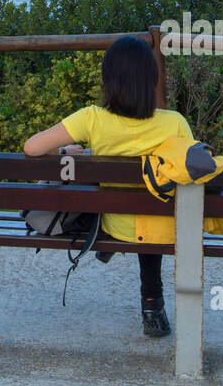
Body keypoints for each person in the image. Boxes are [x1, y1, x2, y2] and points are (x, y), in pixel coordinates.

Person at [23, 34, 194, 338]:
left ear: (109, 80)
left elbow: (32, 147)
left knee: (112, 199)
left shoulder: (91, 119)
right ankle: (152, 305)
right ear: (151, 80)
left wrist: (66, 152)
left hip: (114, 223)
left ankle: (110, 245)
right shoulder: (175, 122)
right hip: (161, 226)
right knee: (151, 207)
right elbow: (189, 174)